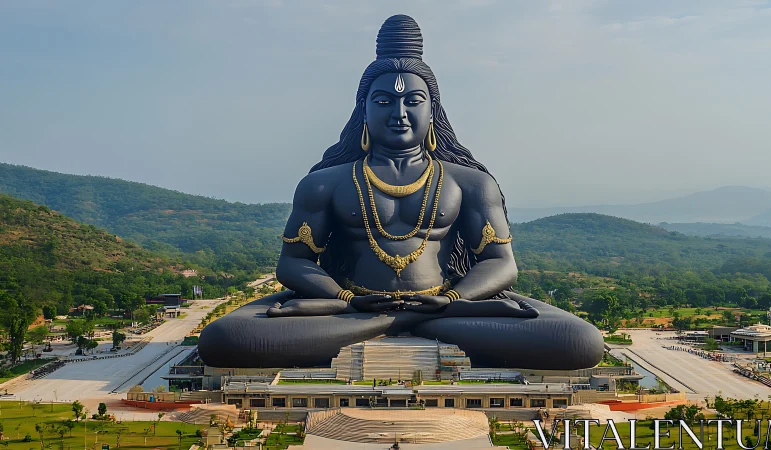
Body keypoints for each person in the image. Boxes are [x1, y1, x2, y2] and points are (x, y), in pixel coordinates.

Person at [198, 15, 603, 370]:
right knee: (226, 338)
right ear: (363, 109)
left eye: (413, 100)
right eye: (384, 100)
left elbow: (501, 264)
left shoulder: (470, 182)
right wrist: (345, 298)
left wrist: (452, 299)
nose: (399, 112)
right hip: (352, 304)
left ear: (433, 110)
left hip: (444, 303)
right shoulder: (326, 182)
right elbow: (293, 263)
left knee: (578, 340)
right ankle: (409, 322)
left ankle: (396, 321)